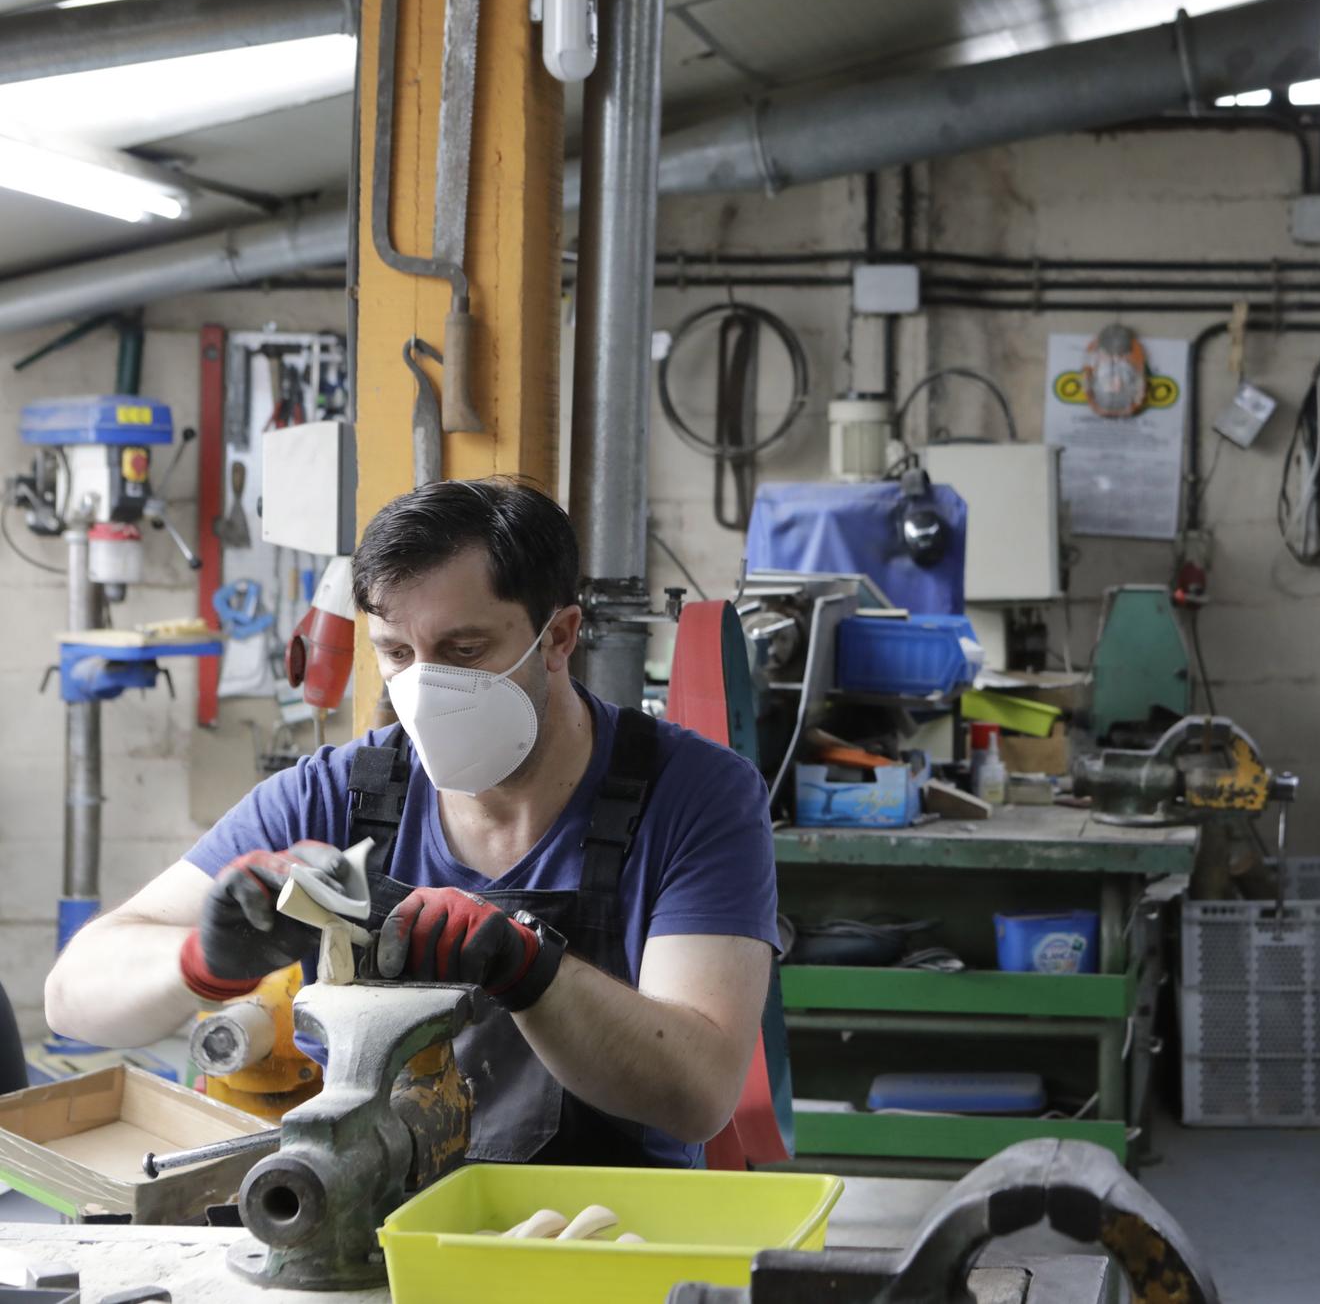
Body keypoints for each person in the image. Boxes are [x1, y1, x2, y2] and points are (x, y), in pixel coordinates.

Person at [44, 479, 778, 1168]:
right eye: (397, 653)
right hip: (370, 1225)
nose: (425, 688)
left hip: (597, 1234)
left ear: (559, 637)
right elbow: (72, 995)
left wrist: (527, 970)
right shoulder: (332, 794)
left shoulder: (695, 796)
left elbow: (700, 1095)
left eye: (465, 651)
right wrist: (199, 963)